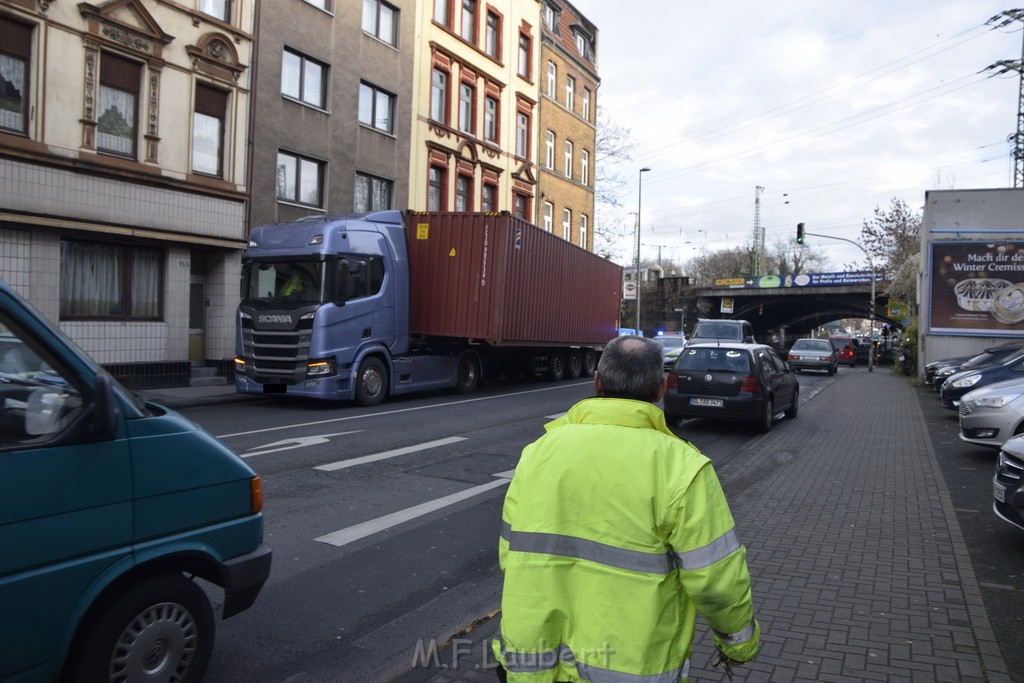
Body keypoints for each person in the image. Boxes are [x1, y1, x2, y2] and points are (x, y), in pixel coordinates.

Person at [491, 335, 759, 682]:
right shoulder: (682, 467)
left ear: (598, 382)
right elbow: (715, 582)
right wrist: (739, 643)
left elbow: (510, 555)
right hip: (631, 668)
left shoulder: (539, 452)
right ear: (660, 388)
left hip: (536, 665)